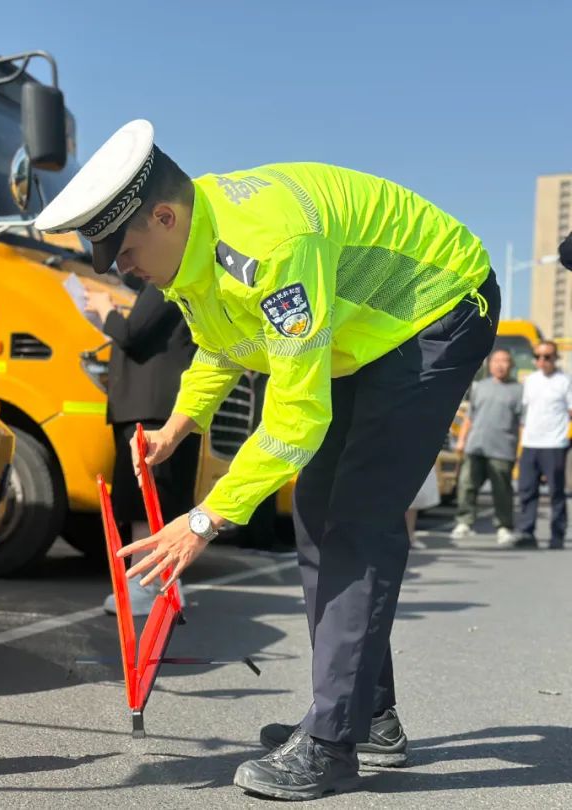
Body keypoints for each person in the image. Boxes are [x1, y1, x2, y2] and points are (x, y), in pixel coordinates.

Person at [34, 120, 498, 801]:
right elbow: (221, 344)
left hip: (436, 311)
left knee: (358, 519)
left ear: (164, 215)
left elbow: (295, 417)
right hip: (363, 331)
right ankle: (366, 715)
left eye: (125, 252)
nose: (121, 270)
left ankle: (333, 745)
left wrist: (204, 520)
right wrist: (176, 425)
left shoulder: (269, 247)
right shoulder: (192, 247)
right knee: (316, 513)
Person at [83, 277, 201, 615]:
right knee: (164, 495)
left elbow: (131, 334)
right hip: (167, 405)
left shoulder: (164, 281)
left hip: (148, 406)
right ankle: (166, 583)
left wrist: (107, 310)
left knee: (144, 497)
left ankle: (143, 585)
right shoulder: (186, 280)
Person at [451, 348, 522, 546]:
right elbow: (469, 417)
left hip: (502, 449)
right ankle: (464, 522)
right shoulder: (479, 387)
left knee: (502, 491)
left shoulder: (518, 390)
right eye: (496, 361)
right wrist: (462, 441)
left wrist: (520, 449)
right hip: (475, 446)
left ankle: (504, 527)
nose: (500, 365)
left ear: (511, 365)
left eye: (504, 361)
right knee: (467, 485)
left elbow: (522, 423)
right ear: (490, 365)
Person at [515, 340, 572, 550]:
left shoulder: (564, 381)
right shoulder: (530, 381)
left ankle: (557, 535)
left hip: (555, 444)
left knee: (556, 492)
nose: (542, 361)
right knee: (527, 490)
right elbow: (524, 414)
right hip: (531, 443)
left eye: (547, 357)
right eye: (538, 356)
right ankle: (527, 533)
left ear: (555, 358)